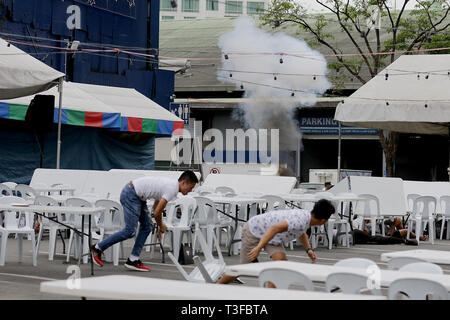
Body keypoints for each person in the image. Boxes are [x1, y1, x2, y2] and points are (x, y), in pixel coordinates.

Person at [90, 170, 198, 271]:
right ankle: (97, 248)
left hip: (136, 195)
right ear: (184, 183)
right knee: (130, 231)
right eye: (191, 187)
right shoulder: (172, 189)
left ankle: (133, 259)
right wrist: (161, 226)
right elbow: (157, 212)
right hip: (131, 194)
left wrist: (158, 223)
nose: (190, 190)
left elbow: (157, 203)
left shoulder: (171, 185)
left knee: (147, 226)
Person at [217, 199, 336, 285]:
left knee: (281, 265)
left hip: (272, 236)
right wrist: (258, 248)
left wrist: (308, 249)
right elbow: (274, 228)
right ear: (323, 220)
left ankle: (269, 294)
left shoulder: (306, 217)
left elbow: (301, 232)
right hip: (254, 230)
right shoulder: (301, 220)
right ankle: (216, 286)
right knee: (243, 267)